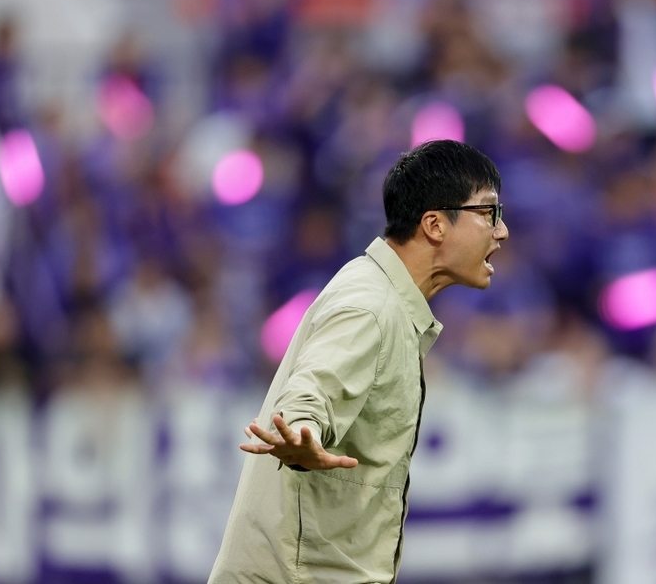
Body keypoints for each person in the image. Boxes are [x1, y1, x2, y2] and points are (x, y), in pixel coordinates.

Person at [208, 139, 509, 583]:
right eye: (488, 213)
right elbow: (310, 391)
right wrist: (301, 431)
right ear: (435, 225)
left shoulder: (383, 298)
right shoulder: (369, 306)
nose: (500, 231)